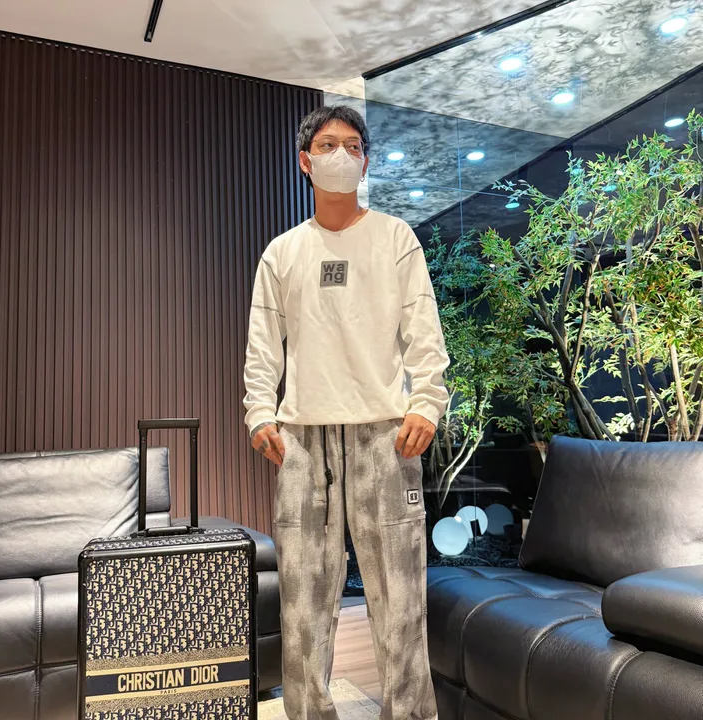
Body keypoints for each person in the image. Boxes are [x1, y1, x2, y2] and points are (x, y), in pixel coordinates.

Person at [243, 105, 449, 720]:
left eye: (353, 145)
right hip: (303, 440)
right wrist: (259, 413)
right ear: (305, 162)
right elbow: (262, 344)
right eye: (328, 144)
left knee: (401, 600)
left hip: (386, 437)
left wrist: (427, 401)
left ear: (365, 161)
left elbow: (423, 329)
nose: (341, 154)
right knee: (303, 605)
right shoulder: (282, 252)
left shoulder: (395, 238)